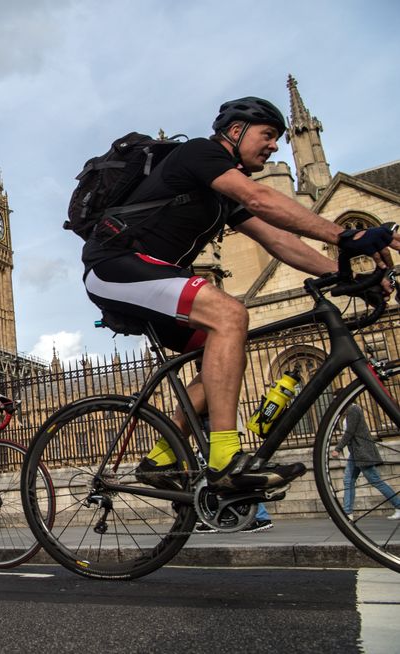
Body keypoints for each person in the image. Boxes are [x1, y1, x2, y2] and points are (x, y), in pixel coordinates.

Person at [81, 96, 400, 494]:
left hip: (155, 276)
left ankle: (164, 454)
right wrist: (344, 235)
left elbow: (281, 242)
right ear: (235, 131)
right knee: (230, 314)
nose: (274, 146)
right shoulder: (198, 153)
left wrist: (343, 271)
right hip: (113, 265)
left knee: (229, 347)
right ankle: (225, 460)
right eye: (268, 135)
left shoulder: (222, 196)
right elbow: (260, 198)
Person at [332, 403, 400, 520]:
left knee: (375, 481)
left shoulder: (353, 410)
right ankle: (347, 513)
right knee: (348, 481)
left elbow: (350, 432)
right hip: (355, 454)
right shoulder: (349, 412)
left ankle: (399, 505)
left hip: (361, 453)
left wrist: (338, 448)